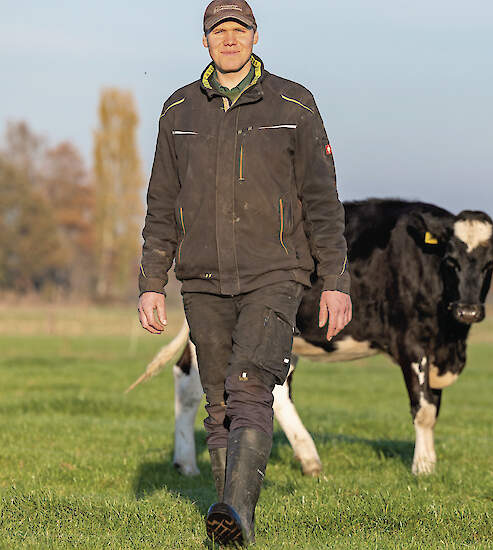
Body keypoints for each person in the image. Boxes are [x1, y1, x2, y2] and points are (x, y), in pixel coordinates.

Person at [136, 0, 352, 544]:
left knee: (251, 386)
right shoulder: (178, 110)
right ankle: (229, 524)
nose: (229, 39)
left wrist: (335, 280)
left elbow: (322, 201)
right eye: (219, 31)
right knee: (219, 404)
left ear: (255, 36)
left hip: (275, 273)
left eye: (239, 29)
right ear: (204, 41)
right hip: (202, 280)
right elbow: (161, 203)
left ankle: (235, 516)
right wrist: (151, 282)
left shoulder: (294, 104)